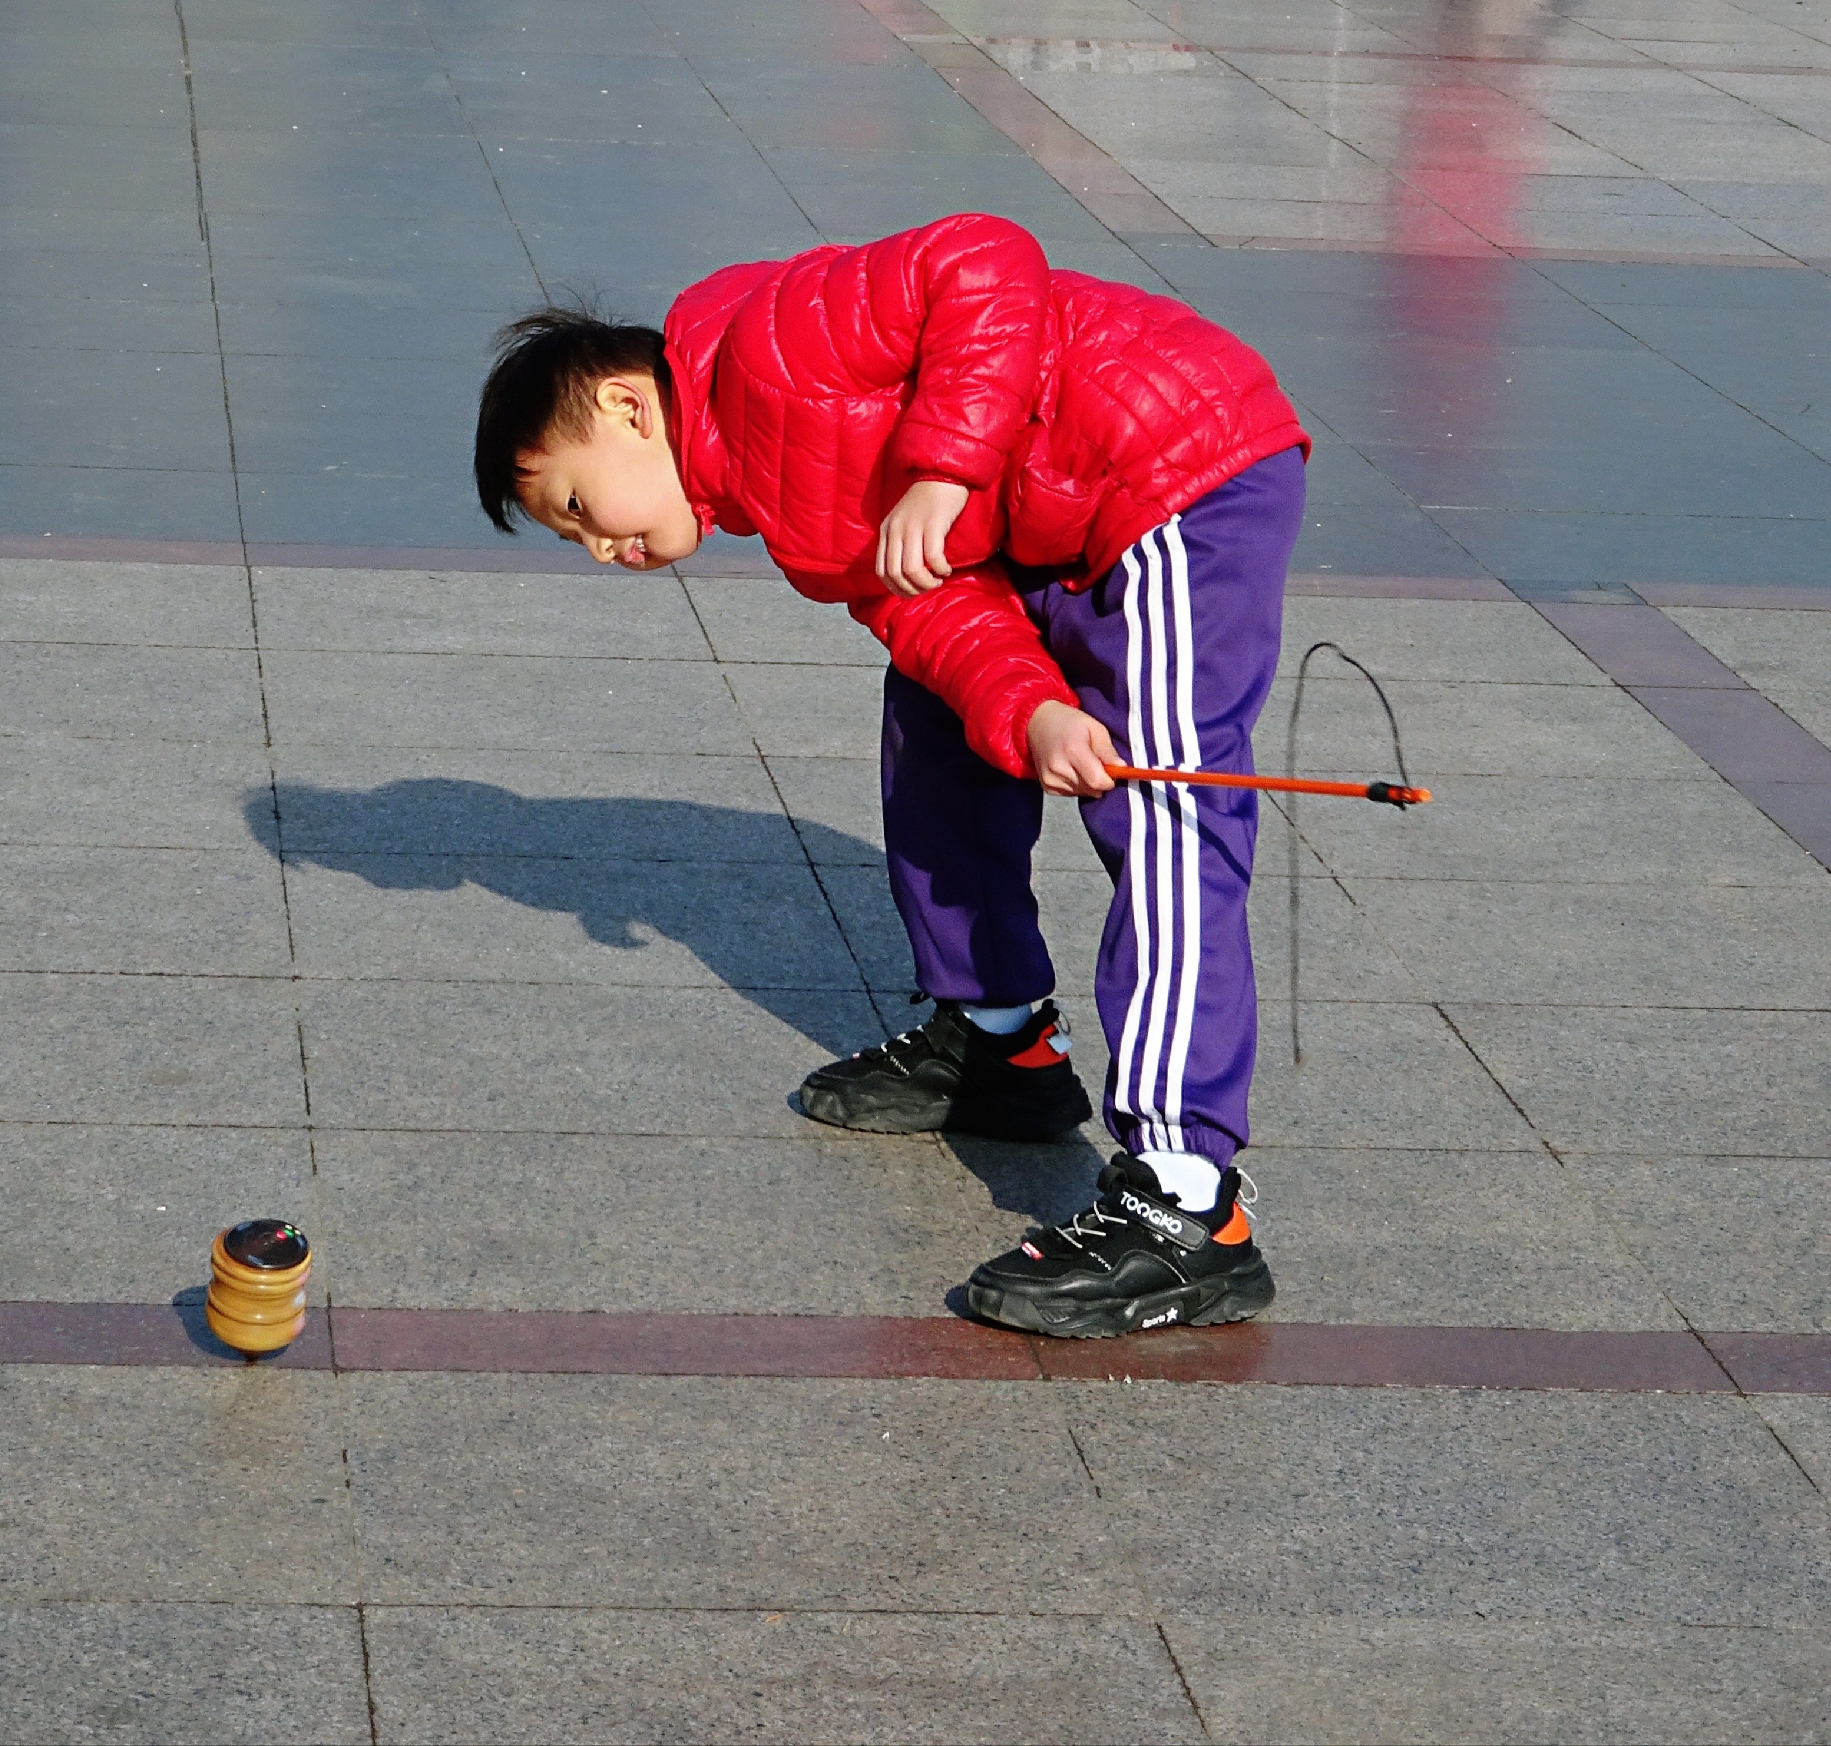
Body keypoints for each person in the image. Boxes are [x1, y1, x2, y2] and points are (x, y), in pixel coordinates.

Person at [471, 212, 1305, 1339]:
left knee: (1164, 810)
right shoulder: (789, 520)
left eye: (577, 505)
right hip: (1043, 524)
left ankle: (1188, 1209)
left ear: (626, 404)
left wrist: (943, 467)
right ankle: (1000, 1037)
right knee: (939, 719)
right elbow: (939, 610)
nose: (599, 550)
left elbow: (986, 259)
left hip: (1164, 462)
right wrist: (1037, 709)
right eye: (570, 540)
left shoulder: (771, 342)